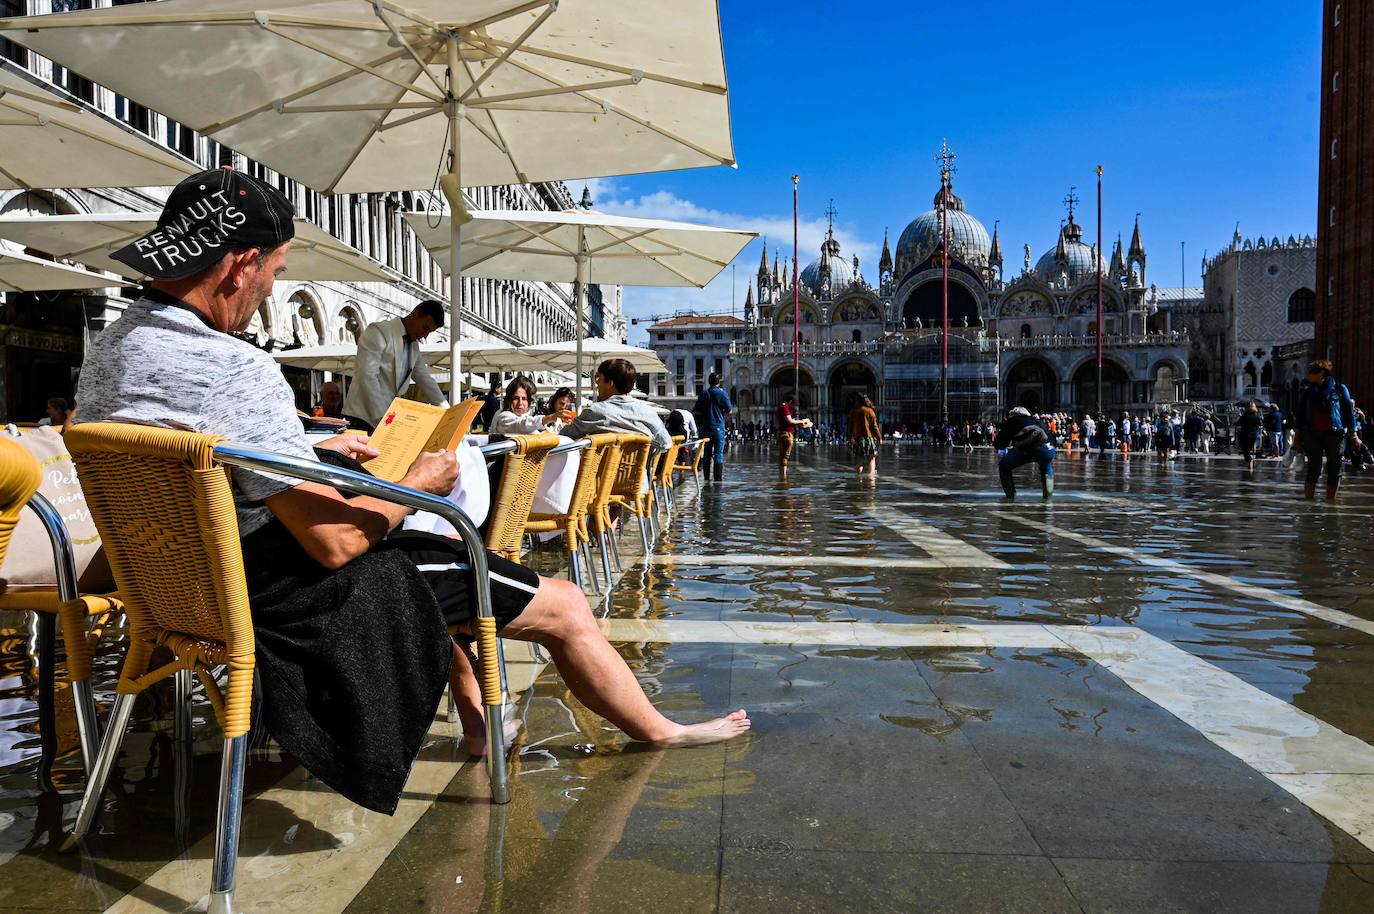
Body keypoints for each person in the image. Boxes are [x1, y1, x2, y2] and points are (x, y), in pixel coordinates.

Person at [74, 169, 749, 816]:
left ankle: (479, 716)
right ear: (241, 264)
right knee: (558, 600)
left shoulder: (112, 348)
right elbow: (337, 543)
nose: (271, 289)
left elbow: (195, 448)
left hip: (176, 585)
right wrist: (415, 484)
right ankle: (659, 730)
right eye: (275, 271)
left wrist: (308, 451)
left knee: (435, 564)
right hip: (283, 597)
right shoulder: (234, 366)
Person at [341, 300, 448, 432]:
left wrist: (448, 412)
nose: (425, 336)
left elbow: (426, 381)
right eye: (425, 328)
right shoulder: (378, 331)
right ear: (415, 314)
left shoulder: (414, 346)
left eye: (429, 332)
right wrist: (384, 418)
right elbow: (366, 376)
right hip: (361, 419)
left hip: (386, 420)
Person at [563, 358, 672, 450]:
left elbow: (563, 438)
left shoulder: (594, 411)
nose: (597, 383)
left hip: (599, 469)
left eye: (598, 378)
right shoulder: (648, 412)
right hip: (639, 469)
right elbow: (666, 444)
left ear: (610, 383)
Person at [1294, 359, 1359, 501]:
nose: (1309, 374)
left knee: (1335, 470)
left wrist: (1354, 434)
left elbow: (1348, 412)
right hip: (1312, 434)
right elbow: (1300, 416)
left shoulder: (1339, 389)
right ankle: (1309, 504)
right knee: (1313, 469)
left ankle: (1331, 503)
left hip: (1335, 434)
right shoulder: (1307, 392)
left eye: (1312, 371)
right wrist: (1296, 437)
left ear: (1322, 372)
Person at [993, 406, 1055, 499]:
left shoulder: (1013, 421)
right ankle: (1048, 497)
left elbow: (999, 443)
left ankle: (1010, 496)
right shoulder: (1039, 421)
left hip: (1027, 449)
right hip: (1048, 450)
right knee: (1046, 466)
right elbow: (1052, 439)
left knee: (1004, 466)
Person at [487, 376, 572, 435]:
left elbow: (536, 434)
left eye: (524, 398)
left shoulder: (522, 416)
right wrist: (551, 417)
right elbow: (521, 424)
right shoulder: (503, 416)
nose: (520, 403)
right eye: (516, 398)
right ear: (509, 399)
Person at [692, 373, 733, 482]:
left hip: (706, 427)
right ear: (719, 382)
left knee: (707, 452)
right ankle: (718, 479)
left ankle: (706, 478)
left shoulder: (704, 393)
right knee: (718, 453)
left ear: (708, 382)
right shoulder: (722, 393)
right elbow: (729, 411)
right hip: (718, 427)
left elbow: (697, 411)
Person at [775, 392, 810, 477]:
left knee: (783, 455)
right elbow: (790, 421)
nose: (794, 407)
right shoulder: (785, 407)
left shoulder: (783, 407)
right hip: (786, 434)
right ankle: (783, 477)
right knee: (785, 456)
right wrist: (801, 421)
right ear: (790, 402)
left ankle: (782, 476)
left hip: (784, 433)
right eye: (794, 405)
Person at [847, 394, 882, 476]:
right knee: (871, 458)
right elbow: (874, 426)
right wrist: (879, 437)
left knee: (859, 459)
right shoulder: (869, 411)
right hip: (868, 438)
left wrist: (850, 438)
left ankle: (858, 477)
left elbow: (850, 427)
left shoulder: (853, 411)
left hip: (857, 438)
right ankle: (871, 477)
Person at [1235, 402, 1264, 471]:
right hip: (1254, 434)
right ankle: (1250, 464)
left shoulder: (1245, 415)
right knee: (1251, 447)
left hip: (1245, 434)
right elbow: (1260, 423)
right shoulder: (1257, 415)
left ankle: (1249, 461)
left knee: (1245, 449)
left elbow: (1238, 423)